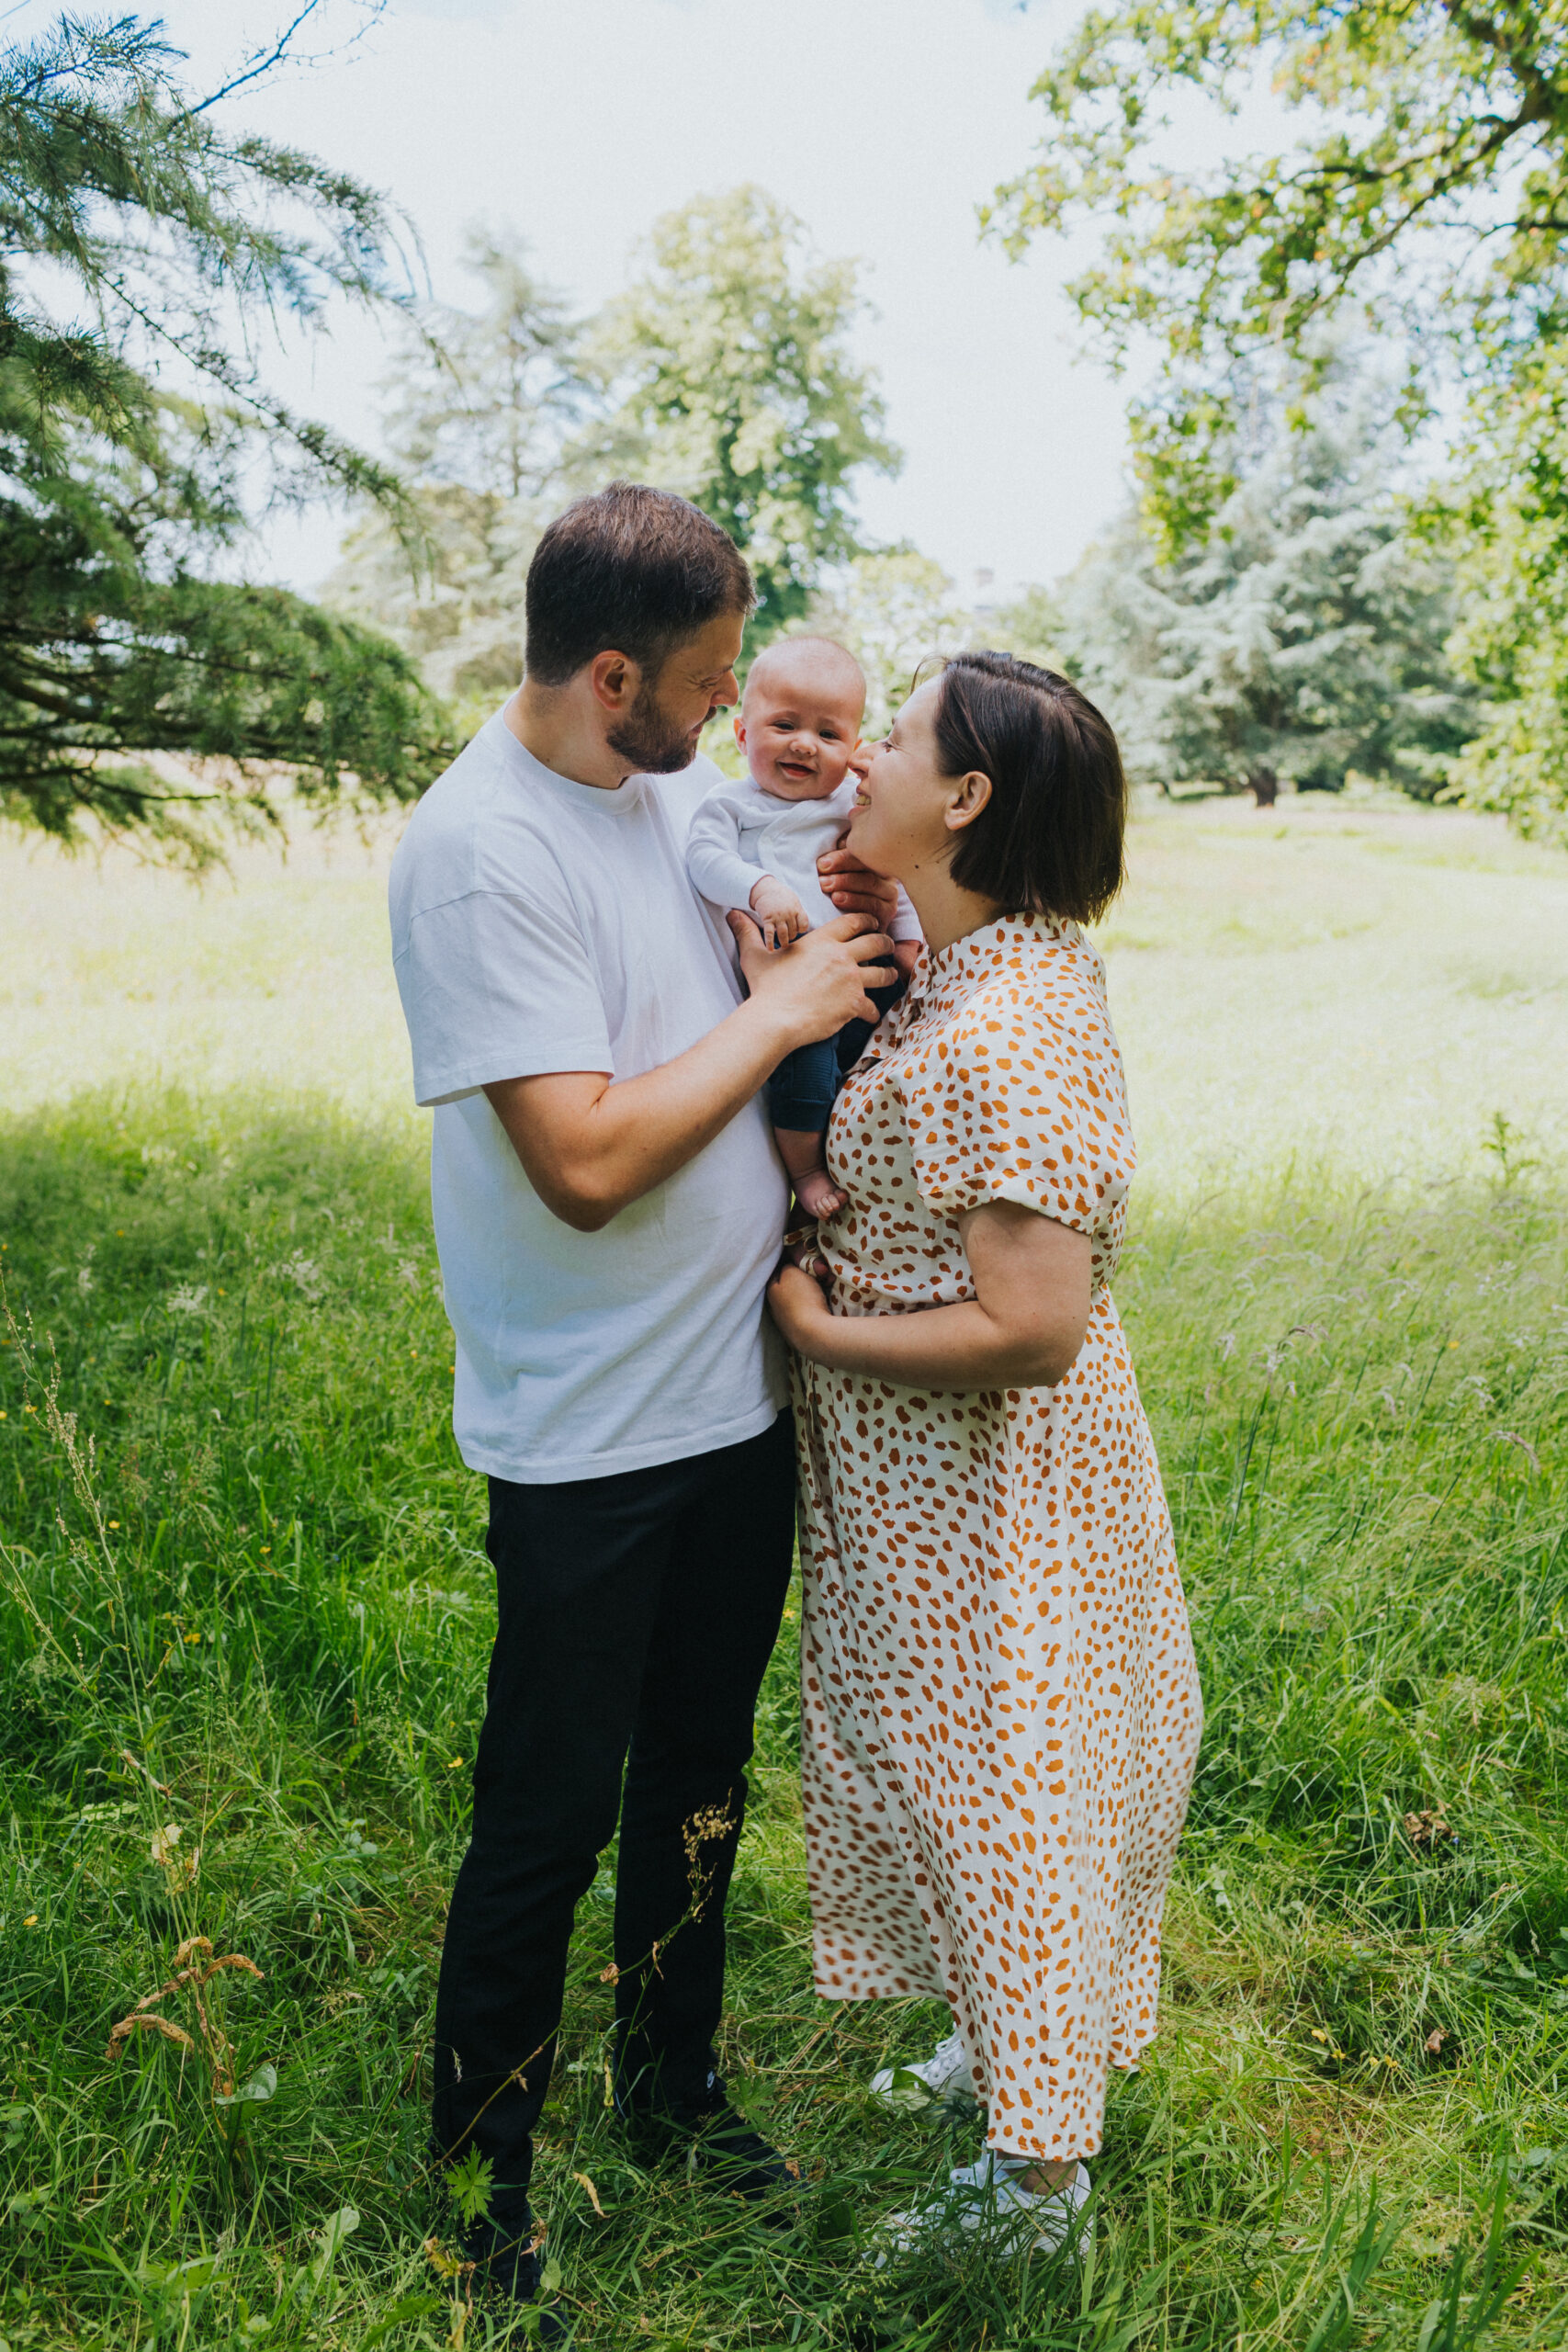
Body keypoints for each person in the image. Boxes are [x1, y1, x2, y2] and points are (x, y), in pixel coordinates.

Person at [388, 482, 895, 2327]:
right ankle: (479, 2182)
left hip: (730, 1396)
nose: (729, 701)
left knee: (699, 1771)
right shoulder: (478, 852)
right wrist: (779, 1018)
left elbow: (756, 879)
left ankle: (669, 2086)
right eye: (702, 676)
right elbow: (583, 1160)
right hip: (590, 1427)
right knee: (548, 1806)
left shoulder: (669, 781)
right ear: (613, 675)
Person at [767, 652, 1204, 2264]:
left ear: (963, 800)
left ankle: (1035, 2193)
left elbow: (1031, 1323)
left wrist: (818, 1332)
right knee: (962, 1780)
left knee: (1006, 1793)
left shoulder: (1008, 1021)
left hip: (994, 1491)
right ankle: (1008, 2041)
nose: (860, 751)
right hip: (936, 1491)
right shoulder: (963, 961)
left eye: (894, 738)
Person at [686, 637, 922, 1218]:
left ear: (854, 748)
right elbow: (703, 858)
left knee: (887, 1073)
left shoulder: (852, 804)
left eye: (828, 734)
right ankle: (807, 1173)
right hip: (794, 983)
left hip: (871, 973)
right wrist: (759, 888)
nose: (804, 745)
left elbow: (896, 871)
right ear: (742, 735)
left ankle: (880, 1179)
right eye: (784, 725)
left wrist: (911, 942)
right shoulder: (731, 804)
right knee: (808, 1080)